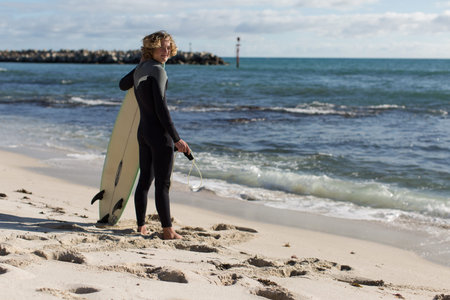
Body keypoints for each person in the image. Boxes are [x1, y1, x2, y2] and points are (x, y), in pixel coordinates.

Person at [119, 31, 190, 240]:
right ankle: (168, 230)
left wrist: (140, 64)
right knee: (163, 183)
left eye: (169, 47)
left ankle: (141, 225)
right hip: (159, 135)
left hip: (143, 133)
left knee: (144, 182)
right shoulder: (158, 70)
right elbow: (161, 108)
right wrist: (176, 138)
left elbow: (123, 85)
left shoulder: (141, 68)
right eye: (161, 47)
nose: (166, 51)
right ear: (151, 47)